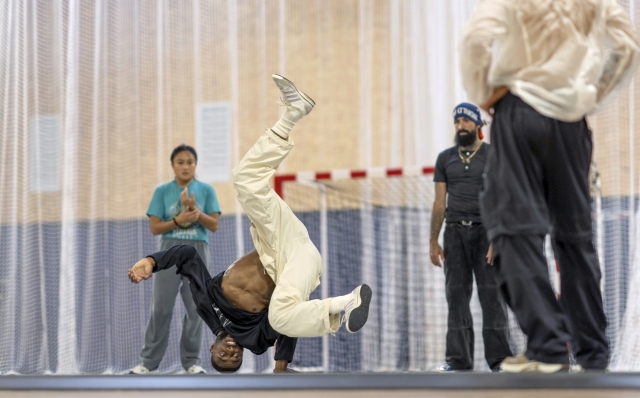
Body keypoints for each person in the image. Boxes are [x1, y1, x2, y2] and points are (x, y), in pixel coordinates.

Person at [128, 74, 372, 373]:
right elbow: (287, 328)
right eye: (235, 358)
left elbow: (188, 257)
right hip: (297, 265)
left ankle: (293, 113)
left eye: (223, 356)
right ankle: (346, 304)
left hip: (275, 241)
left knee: (244, 180)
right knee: (283, 316)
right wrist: (281, 366)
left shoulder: (207, 308)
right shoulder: (257, 340)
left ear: (212, 348)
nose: (230, 352)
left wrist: (151, 261)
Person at [459, 0, 639, 372]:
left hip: (520, 112)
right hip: (572, 122)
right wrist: (591, 95)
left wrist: (484, 92)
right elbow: (627, 45)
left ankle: (548, 348)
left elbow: (475, 38)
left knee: (513, 228)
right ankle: (593, 353)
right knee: (575, 236)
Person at [429, 102, 512, 372]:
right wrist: (433, 241)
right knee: (456, 297)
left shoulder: (493, 155)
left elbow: (502, 196)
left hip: (486, 233)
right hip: (454, 234)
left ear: (477, 124)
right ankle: (458, 361)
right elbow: (439, 203)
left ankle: (500, 360)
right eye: (457, 121)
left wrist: (497, 237)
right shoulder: (445, 158)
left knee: (492, 298)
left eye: (465, 121)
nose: (460, 126)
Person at [130, 144, 221, 374]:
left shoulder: (207, 190)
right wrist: (179, 220)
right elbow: (154, 227)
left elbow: (215, 225)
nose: (185, 166)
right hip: (168, 251)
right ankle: (148, 363)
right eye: (180, 162)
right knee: (160, 308)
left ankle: (192, 362)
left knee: (196, 310)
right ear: (172, 165)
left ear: (195, 165)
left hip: (198, 251)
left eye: (190, 162)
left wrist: (195, 212)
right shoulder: (162, 191)